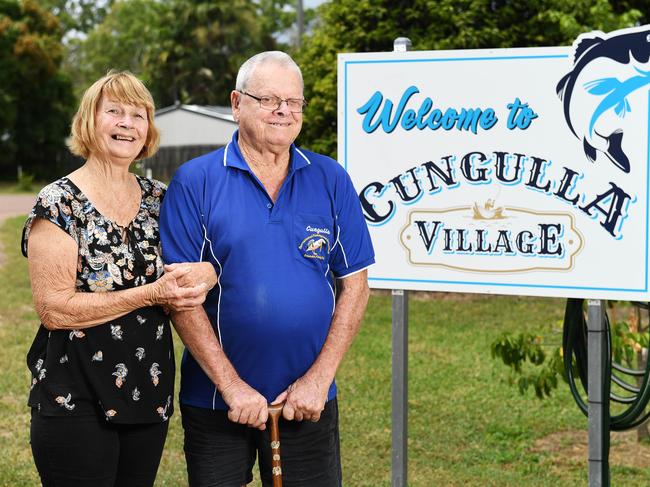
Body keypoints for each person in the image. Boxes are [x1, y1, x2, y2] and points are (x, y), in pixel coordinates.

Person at [160, 51, 375, 486]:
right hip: (217, 402)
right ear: (237, 103)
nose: (283, 111)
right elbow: (180, 300)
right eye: (269, 99)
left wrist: (319, 380)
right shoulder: (195, 181)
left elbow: (356, 286)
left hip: (308, 400)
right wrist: (232, 387)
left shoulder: (331, 179)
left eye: (294, 102)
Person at [22, 71, 217, 487]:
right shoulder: (58, 203)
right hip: (74, 394)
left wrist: (207, 270)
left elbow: (199, 263)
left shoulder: (159, 199)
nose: (128, 123)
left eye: (139, 114)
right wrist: (150, 293)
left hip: (147, 390)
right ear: (90, 121)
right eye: (115, 112)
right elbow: (54, 309)